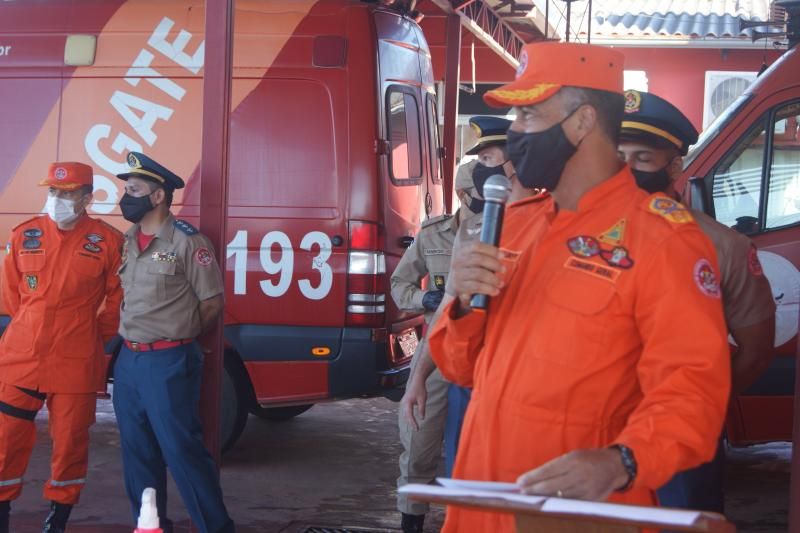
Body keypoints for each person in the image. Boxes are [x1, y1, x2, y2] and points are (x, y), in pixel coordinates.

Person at [427, 42, 731, 532]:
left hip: (579, 514)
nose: (516, 133)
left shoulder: (660, 241)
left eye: (529, 115)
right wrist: (462, 305)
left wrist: (622, 462)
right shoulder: (515, 226)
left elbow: (692, 389)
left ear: (583, 121)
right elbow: (460, 368)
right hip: (484, 505)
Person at [618, 89, 776, 512]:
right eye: (619, 157)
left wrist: (704, 406)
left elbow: (756, 349)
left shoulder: (722, 245)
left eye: (642, 159)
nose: (627, 170)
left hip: (678, 434)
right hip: (597, 428)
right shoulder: (580, 236)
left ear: (675, 165)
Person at [112, 152, 234, 533]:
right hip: (129, 360)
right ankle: (150, 525)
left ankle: (215, 527)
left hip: (168, 361)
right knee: (137, 454)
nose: (126, 196)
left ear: (158, 196)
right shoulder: (130, 239)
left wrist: (180, 335)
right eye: (125, 189)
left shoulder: (186, 241)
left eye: (134, 190)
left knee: (182, 452)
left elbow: (212, 302)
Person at [0, 162, 123, 533]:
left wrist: (86, 334)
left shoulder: (107, 241)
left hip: (75, 362)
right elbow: (10, 297)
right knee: (5, 441)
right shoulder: (25, 235)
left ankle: (58, 521)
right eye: (54, 192)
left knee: (69, 445)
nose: (58, 199)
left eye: (68, 193)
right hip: (20, 360)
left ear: (86, 198)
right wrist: (31, 330)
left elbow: (117, 303)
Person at [391, 154, 485, 533]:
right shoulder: (434, 234)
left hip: (488, 352)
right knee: (418, 436)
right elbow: (400, 285)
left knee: (479, 444)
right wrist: (426, 300)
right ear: (464, 194)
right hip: (439, 349)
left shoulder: (512, 229)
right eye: (481, 195)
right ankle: (411, 518)